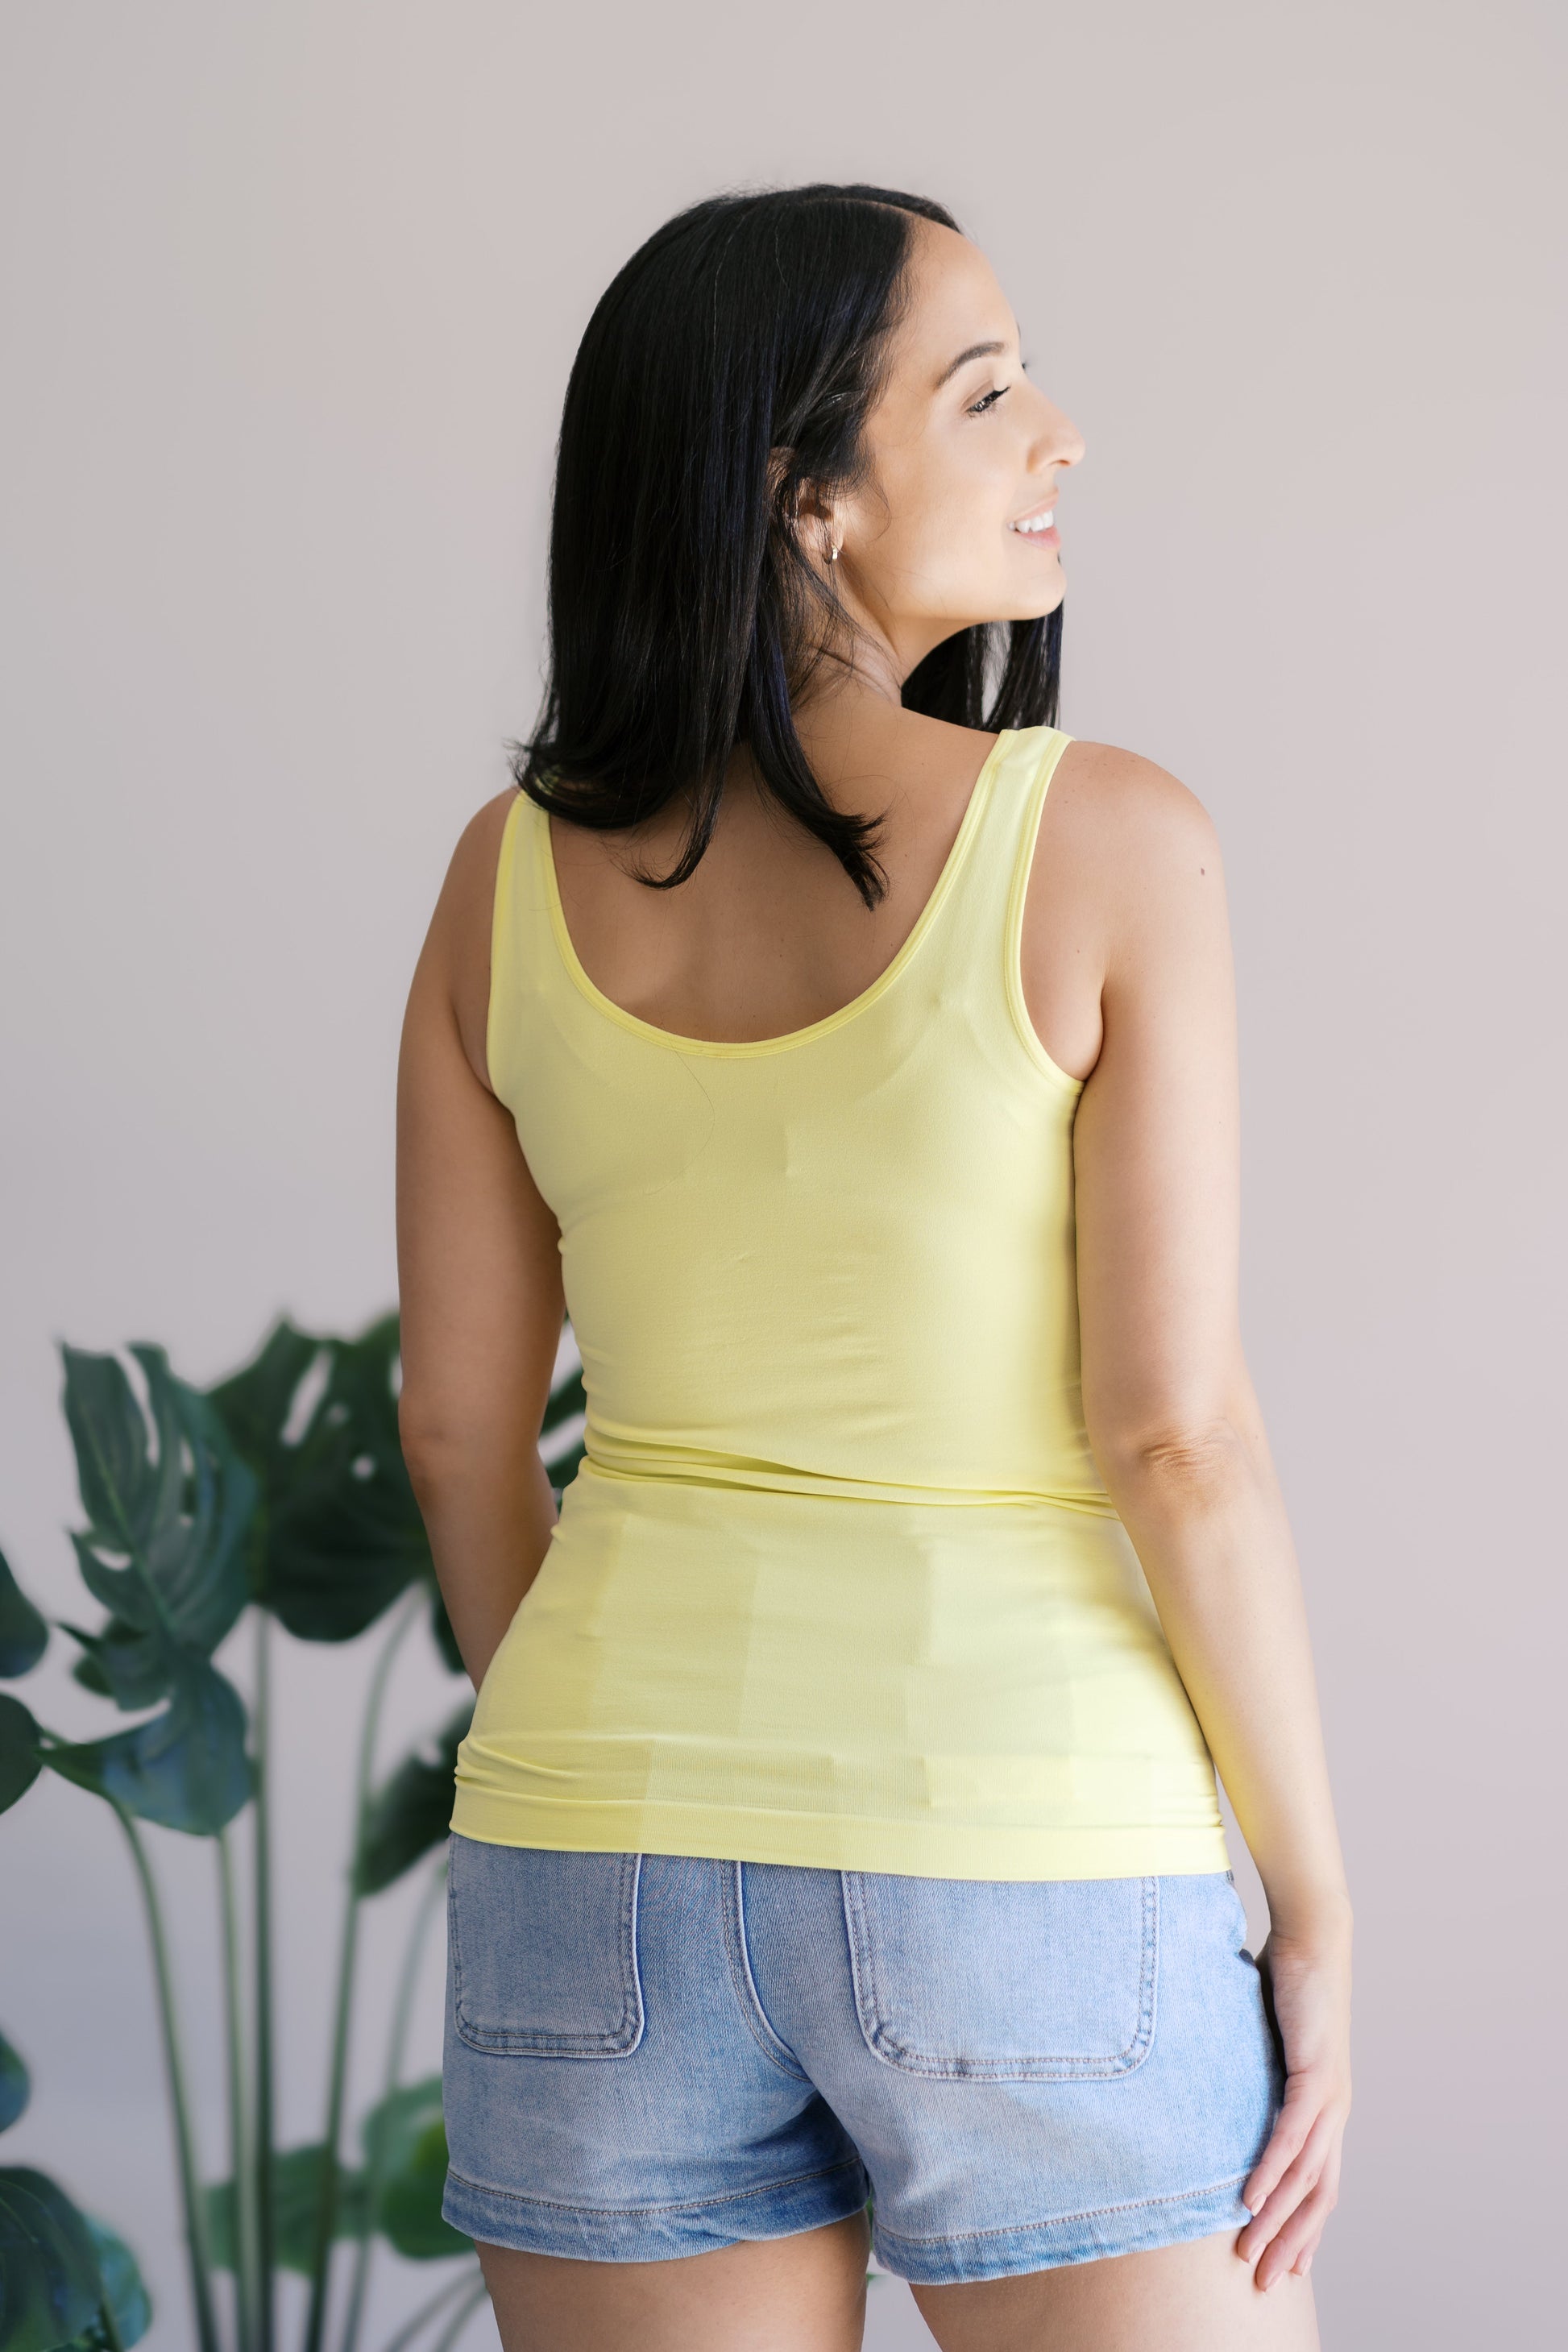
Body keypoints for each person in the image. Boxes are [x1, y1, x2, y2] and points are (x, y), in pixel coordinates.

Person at [395, 182, 1352, 2352]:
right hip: (1019, 1838)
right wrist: (1314, 1907)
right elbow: (1174, 1438)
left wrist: (631, 1769)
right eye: (987, 391)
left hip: (590, 1850)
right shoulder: (1102, 837)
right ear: (802, 496)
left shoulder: (501, 879)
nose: (1061, 436)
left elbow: (457, 1430)